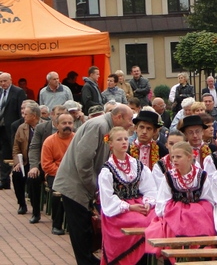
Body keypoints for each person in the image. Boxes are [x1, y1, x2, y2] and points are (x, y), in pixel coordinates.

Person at [53, 104, 134, 265]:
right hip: (75, 186)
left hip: (82, 185)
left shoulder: (105, 127)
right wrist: (95, 188)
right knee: (80, 231)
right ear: (118, 117)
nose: (131, 124)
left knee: (85, 230)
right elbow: (83, 161)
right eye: (130, 119)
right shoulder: (99, 126)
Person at [99, 126, 157, 265]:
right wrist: (129, 207)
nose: (124, 142)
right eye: (119, 139)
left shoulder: (137, 165)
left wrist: (148, 202)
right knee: (141, 222)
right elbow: (107, 199)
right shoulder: (107, 171)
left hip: (139, 205)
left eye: (126, 139)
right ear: (111, 143)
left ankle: (145, 258)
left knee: (156, 219)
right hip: (118, 211)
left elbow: (149, 188)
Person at [146, 140, 216, 253]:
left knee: (202, 218)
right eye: (173, 157)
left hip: (198, 214)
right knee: (171, 226)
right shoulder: (169, 177)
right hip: (176, 214)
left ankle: (200, 253)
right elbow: (162, 201)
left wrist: (193, 210)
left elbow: (208, 199)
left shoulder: (201, 175)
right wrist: (180, 210)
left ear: (189, 157)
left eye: (178, 157)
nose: (174, 160)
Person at [41, 112, 74, 235]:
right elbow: (46, 165)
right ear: (56, 125)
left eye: (70, 123)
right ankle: (57, 225)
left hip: (74, 175)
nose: (67, 125)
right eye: (64, 123)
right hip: (55, 175)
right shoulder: (49, 141)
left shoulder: (77, 139)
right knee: (58, 193)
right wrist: (63, 173)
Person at [11, 101, 42, 222]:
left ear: (34, 116)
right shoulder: (21, 127)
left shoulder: (44, 127)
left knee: (33, 179)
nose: (23, 116)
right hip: (24, 161)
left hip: (40, 163)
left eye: (26, 114)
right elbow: (16, 147)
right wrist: (17, 162)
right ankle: (22, 204)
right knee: (16, 174)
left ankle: (36, 211)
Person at [0, 72, 27, 188]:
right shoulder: (0, 91)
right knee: (2, 153)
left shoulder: (18, 92)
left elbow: (21, 111)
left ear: (10, 80)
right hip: (1, 127)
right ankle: (4, 180)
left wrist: (21, 126)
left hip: (12, 128)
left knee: (13, 152)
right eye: (1, 81)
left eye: (5, 81)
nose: (3, 83)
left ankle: (16, 179)